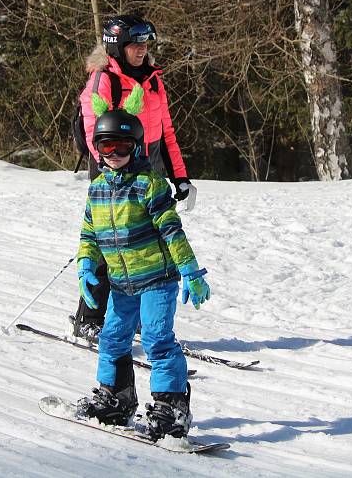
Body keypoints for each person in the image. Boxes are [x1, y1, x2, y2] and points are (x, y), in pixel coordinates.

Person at [74, 88, 211, 441]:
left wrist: (190, 270)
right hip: (121, 285)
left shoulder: (149, 185)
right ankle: (116, 400)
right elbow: (89, 235)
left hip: (156, 281)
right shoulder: (97, 189)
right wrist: (85, 265)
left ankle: (171, 410)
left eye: (122, 147)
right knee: (112, 339)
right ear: (97, 149)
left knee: (157, 340)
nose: (115, 154)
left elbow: (171, 229)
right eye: (107, 147)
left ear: (136, 147)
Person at [70, 14, 195, 341]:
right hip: (112, 167)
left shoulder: (153, 79)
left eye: (144, 43)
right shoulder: (105, 80)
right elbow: (92, 130)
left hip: (148, 165)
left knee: (147, 244)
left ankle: (137, 314)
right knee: (110, 241)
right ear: (118, 46)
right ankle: (90, 318)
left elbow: (166, 132)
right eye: (135, 44)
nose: (142, 50)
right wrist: (116, 169)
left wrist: (180, 178)